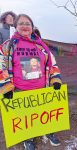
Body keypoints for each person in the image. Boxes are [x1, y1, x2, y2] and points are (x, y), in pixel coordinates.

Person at [0, 14, 62, 150]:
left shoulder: (41, 46)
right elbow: (1, 66)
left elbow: (52, 63)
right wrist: (5, 86)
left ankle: (48, 131)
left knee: (44, 113)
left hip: (42, 89)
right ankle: (28, 138)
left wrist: (55, 79)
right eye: (21, 23)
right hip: (20, 90)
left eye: (28, 24)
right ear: (15, 26)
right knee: (26, 117)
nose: (25, 26)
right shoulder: (8, 46)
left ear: (32, 27)